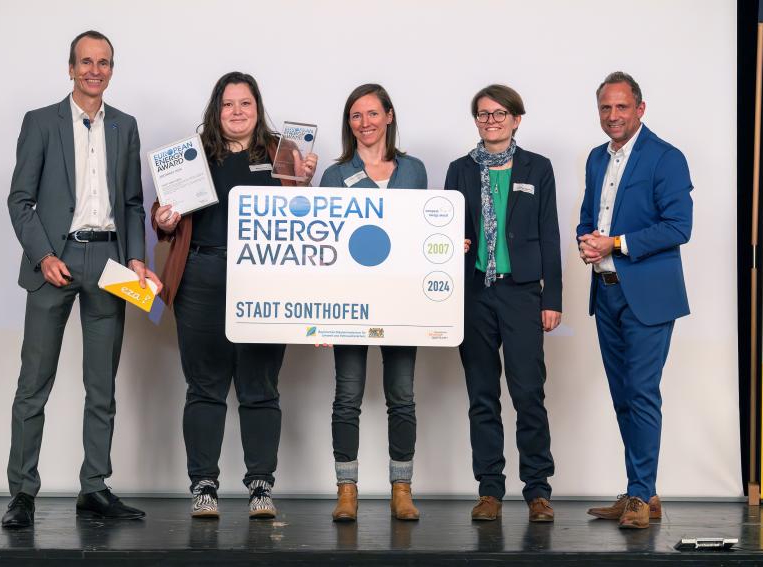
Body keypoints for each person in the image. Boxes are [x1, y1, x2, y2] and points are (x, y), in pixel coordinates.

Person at [3, 30, 161, 528]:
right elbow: (20, 200)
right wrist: (44, 255)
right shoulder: (40, 122)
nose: (95, 70)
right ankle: (22, 493)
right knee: (34, 384)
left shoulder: (126, 126)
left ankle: (94, 488)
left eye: (104, 62)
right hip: (57, 260)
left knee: (102, 386)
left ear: (112, 70)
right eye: (86, 62)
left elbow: (133, 203)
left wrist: (137, 258)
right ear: (70, 68)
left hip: (110, 261)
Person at [152, 71, 317, 519]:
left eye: (245, 103)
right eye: (228, 105)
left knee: (260, 387)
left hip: (266, 278)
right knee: (204, 388)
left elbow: (304, 221)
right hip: (202, 275)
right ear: (216, 110)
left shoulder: (283, 153)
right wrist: (163, 219)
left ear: (257, 108)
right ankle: (203, 486)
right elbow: (162, 210)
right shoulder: (193, 154)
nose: (237, 112)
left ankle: (260, 486)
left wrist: (303, 182)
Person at [578, 72, 692, 529]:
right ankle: (641, 491)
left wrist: (616, 243)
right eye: (606, 108)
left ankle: (641, 495)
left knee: (642, 393)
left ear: (640, 109)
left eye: (622, 107)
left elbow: (678, 226)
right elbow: (590, 214)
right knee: (623, 396)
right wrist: (587, 241)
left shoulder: (667, 158)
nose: (613, 116)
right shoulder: (594, 158)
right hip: (605, 294)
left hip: (648, 296)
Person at [444, 84, 562, 523]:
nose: (490, 121)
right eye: (482, 114)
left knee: (529, 392)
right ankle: (490, 490)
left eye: (499, 114)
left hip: (522, 292)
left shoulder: (539, 167)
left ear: (516, 119)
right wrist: (452, 244)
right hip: (473, 293)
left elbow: (550, 236)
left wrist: (553, 298)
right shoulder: (458, 170)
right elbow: (444, 232)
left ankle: (538, 491)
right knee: (482, 395)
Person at [319, 83, 428, 523]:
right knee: (347, 396)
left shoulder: (414, 170)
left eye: (371, 114)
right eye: (355, 116)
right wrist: (323, 315)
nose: (364, 123)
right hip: (350, 302)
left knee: (401, 396)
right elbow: (322, 247)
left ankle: (401, 489)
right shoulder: (334, 175)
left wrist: (447, 243)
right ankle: (347, 490)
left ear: (388, 116)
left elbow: (423, 231)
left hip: (402, 303)